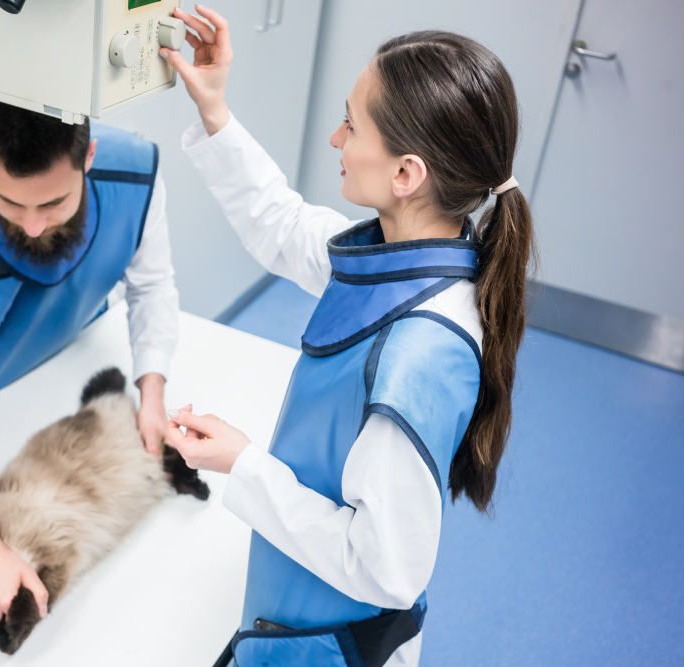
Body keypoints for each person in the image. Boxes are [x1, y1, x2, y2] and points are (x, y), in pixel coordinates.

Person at [159, 6, 534, 666]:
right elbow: (282, 225)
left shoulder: (419, 356)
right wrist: (215, 108)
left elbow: (389, 569)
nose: (336, 137)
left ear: (405, 174)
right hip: (297, 613)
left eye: (352, 124)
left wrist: (242, 463)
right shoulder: (417, 258)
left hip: (326, 645)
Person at [0, 98, 179, 638]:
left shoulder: (136, 172)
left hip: (71, 362)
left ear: (88, 157)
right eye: (9, 203)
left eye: (52, 203)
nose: (30, 224)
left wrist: (153, 388)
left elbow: (153, 285)